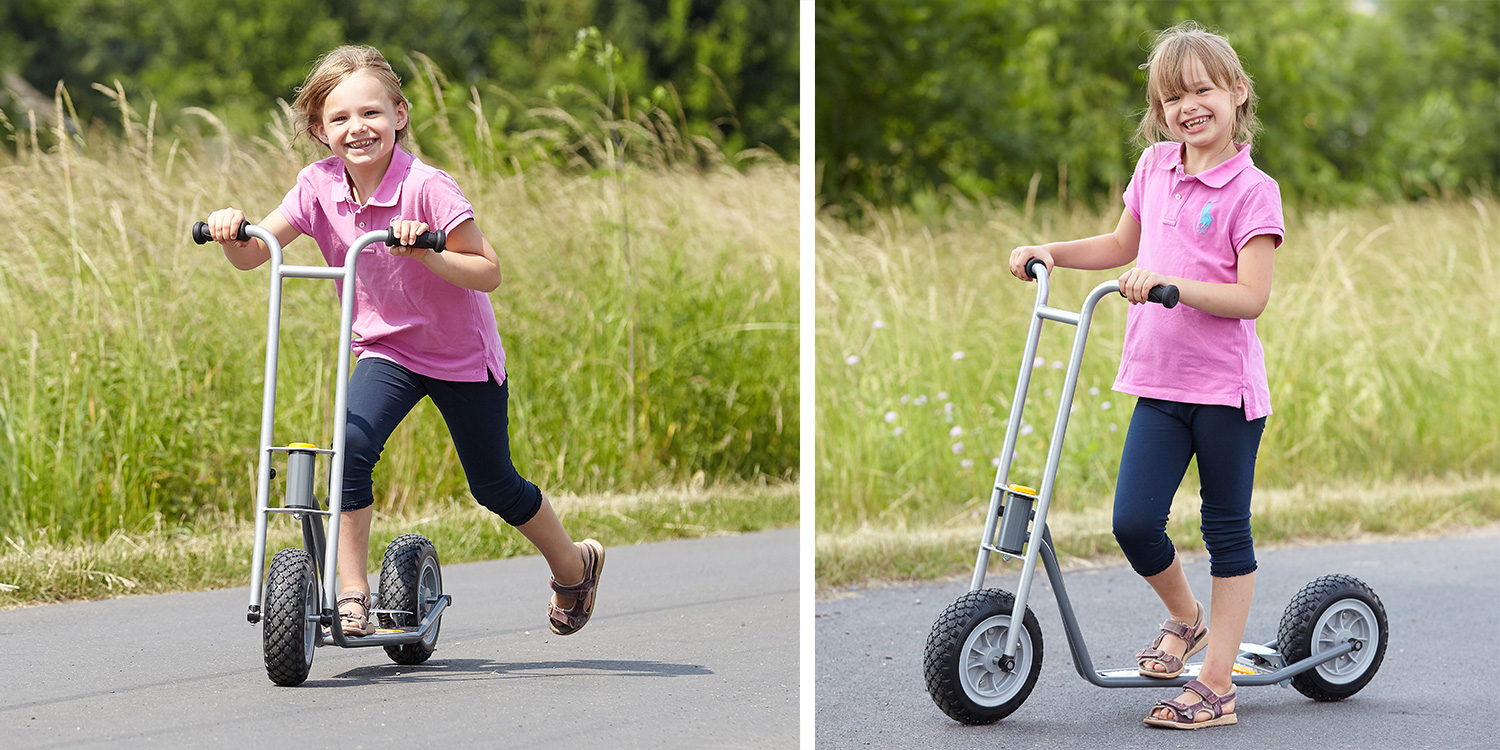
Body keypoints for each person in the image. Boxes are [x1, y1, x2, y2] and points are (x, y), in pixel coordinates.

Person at [204, 44, 604, 639]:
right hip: (386, 350)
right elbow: (256, 253)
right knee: (348, 449)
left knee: (493, 485)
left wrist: (427, 249)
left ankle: (574, 565)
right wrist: (233, 231)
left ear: (400, 113)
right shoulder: (316, 186)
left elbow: (488, 270)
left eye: (370, 113)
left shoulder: (427, 187)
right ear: (319, 129)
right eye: (339, 119)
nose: (356, 129)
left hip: (459, 353)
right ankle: (352, 594)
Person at [1008, 21, 1283, 729]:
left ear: (1236, 92)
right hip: (1160, 387)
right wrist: (1052, 251)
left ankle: (1217, 685)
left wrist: (1174, 285)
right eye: (1172, 98)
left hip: (1225, 392)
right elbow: (1121, 244)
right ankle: (1184, 616)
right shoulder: (1155, 168)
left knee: (1226, 531)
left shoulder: (1254, 191)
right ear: (1159, 113)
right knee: (1133, 522)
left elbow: (1251, 298)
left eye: (1202, 90)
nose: (1189, 106)